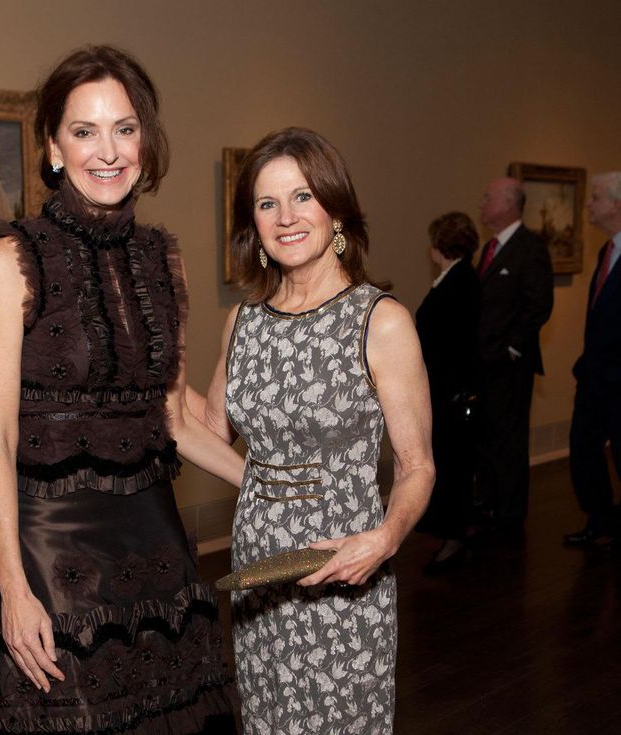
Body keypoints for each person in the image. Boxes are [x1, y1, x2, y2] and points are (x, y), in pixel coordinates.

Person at [0, 45, 240, 734]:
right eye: (84, 131)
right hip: (51, 557)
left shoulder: (161, 256)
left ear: (145, 140)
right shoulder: (9, 259)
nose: (107, 150)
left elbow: (173, 417)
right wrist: (12, 588)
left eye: (124, 128)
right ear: (53, 146)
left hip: (159, 545)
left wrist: (270, 482)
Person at [198, 127, 434, 733]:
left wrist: (385, 538)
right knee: (268, 719)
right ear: (253, 224)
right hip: (259, 574)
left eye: (302, 196)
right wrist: (155, 363)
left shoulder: (381, 321)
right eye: (267, 203)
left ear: (336, 210)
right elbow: (210, 432)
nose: (286, 217)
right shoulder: (243, 321)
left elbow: (416, 466)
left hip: (344, 575)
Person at [476, 177, 554, 533]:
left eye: (488, 197)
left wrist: (512, 349)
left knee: (508, 439)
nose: (482, 203)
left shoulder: (530, 247)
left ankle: (509, 515)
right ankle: (491, 505)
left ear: (508, 204)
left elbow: (539, 305)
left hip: (509, 366)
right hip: (485, 363)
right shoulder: (490, 247)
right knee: (490, 437)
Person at [415, 212, 481, 573]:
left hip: (450, 394)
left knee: (453, 467)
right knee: (452, 465)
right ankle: (456, 530)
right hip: (446, 390)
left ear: (439, 246)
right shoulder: (457, 277)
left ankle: (454, 537)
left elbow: (453, 341)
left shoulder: (460, 282)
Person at [564, 171, 621, 549]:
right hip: (595, 377)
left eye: (595, 198)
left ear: (616, 205)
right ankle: (601, 520)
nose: (588, 206)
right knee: (583, 449)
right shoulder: (606, 251)